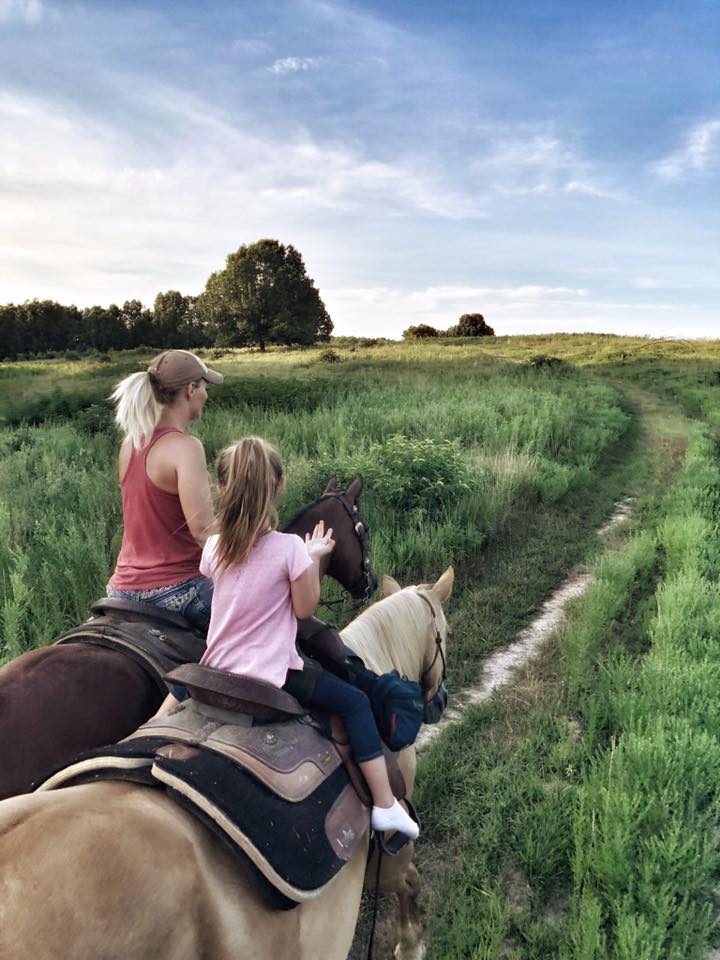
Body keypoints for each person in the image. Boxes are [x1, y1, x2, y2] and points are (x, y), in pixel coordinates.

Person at [158, 436, 419, 839]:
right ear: (279, 486)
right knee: (355, 703)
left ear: (223, 488)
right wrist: (312, 558)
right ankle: (385, 805)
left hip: (217, 667)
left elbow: (226, 580)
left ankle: (148, 731)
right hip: (272, 674)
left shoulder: (213, 547)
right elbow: (304, 610)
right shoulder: (290, 550)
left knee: (177, 686)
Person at [106, 349, 223, 632]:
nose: (206, 395)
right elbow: (204, 533)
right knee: (266, 624)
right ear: (191, 389)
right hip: (177, 589)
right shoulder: (186, 447)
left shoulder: (130, 444)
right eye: (204, 387)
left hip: (121, 591)